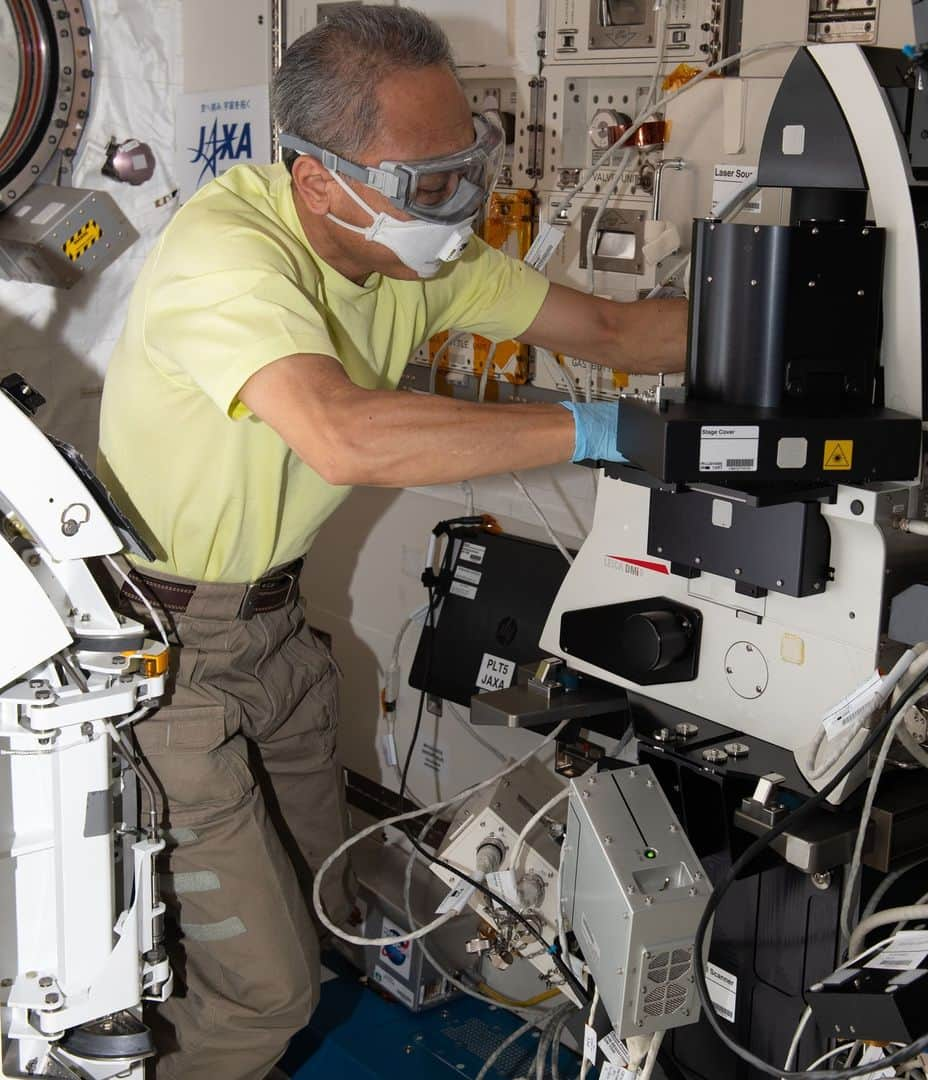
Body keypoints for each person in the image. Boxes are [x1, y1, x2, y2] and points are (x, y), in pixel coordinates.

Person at [97, 6, 686, 1078]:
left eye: (473, 164)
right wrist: (593, 429)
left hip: (273, 629)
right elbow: (343, 433)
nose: (464, 207)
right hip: (163, 654)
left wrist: (797, 325)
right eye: (431, 183)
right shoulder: (227, 259)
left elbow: (611, 330)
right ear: (318, 179)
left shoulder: (414, 256)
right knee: (267, 996)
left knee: (324, 911)